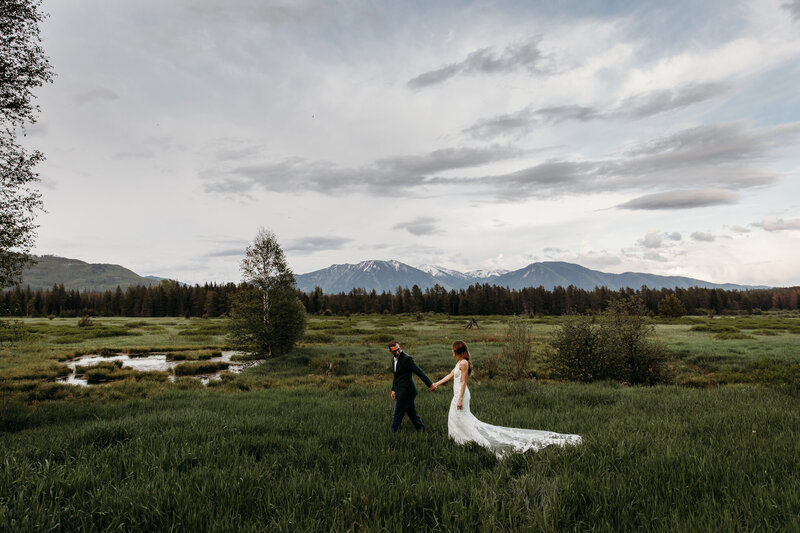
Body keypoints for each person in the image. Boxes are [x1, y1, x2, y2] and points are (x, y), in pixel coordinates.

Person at [431, 340, 581, 458]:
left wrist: (459, 399)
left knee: (462, 417)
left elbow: (463, 382)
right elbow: (450, 375)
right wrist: (436, 383)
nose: (451, 351)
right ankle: (461, 439)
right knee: (456, 417)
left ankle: (474, 440)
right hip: (457, 394)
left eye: (453, 349)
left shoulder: (463, 363)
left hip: (461, 395)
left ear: (457, 350)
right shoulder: (458, 363)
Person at [389, 340, 435, 432]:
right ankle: (422, 431)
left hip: (406, 392)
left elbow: (419, 371)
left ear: (400, 347)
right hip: (401, 390)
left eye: (399, 349)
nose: (398, 352)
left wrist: (430, 384)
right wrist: (393, 390)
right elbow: (396, 376)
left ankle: (392, 433)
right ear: (390, 352)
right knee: (412, 414)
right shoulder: (393, 360)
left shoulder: (407, 359)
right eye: (395, 351)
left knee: (397, 414)